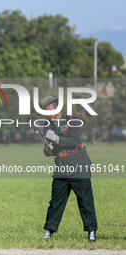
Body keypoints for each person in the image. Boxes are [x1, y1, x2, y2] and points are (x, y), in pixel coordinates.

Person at [39, 96, 98, 242]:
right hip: (61, 166)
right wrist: (48, 148)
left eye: (49, 112)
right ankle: (49, 231)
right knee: (56, 201)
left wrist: (56, 139)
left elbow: (75, 140)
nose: (47, 115)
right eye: (45, 113)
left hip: (78, 163)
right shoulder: (47, 125)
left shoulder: (73, 119)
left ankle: (91, 232)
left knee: (85, 200)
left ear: (56, 107)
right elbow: (48, 151)